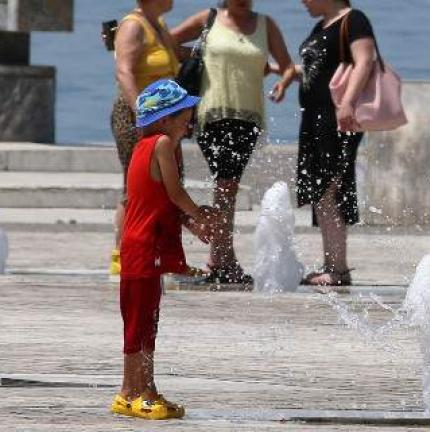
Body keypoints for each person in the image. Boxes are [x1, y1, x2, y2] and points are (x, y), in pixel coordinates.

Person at [110, 79, 217, 420]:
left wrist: (189, 223)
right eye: (185, 114)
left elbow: (156, 202)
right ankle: (137, 392)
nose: (189, 120)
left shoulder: (142, 148)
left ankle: (137, 390)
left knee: (142, 322)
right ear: (165, 118)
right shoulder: (161, 145)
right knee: (142, 323)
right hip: (144, 247)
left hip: (139, 245)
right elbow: (174, 192)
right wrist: (200, 215)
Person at [172, 0, 296, 284]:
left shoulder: (266, 24)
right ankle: (223, 260)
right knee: (226, 185)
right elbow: (168, 40)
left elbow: (287, 66)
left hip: (248, 117)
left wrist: (282, 83)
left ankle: (220, 257)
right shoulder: (210, 17)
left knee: (227, 186)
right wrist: (198, 54)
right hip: (211, 113)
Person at [295, 0, 377, 287]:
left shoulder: (353, 19)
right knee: (320, 190)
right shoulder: (321, 25)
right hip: (315, 118)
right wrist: (286, 76)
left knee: (331, 187)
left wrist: (347, 103)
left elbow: (364, 60)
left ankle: (338, 268)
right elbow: (319, 68)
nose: (302, 2)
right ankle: (331, 263)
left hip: (338, 117)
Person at [109, 0, 181, 277]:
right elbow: (124, 71)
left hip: (166, 118)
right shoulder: (133, 26)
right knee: (136, 183)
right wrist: (142, 112)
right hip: (136, 116)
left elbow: (178, 56)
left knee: (165, 184)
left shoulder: (158, 24)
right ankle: (122, 255)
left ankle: (158, 252)